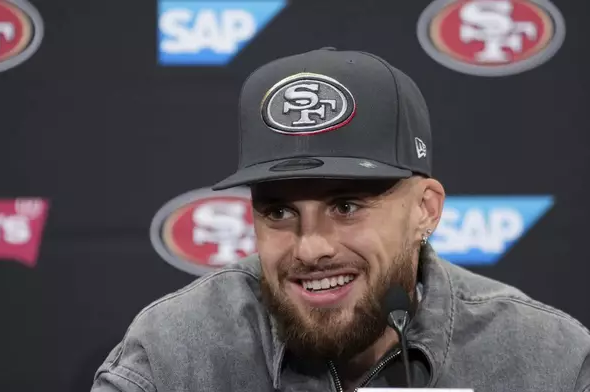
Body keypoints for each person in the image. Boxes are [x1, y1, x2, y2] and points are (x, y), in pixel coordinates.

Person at [91, 48, 590, 392]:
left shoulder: (545, 359)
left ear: (426, 210)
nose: (310, 249)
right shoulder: (174, 352)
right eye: (280, 212)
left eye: (346, 206)